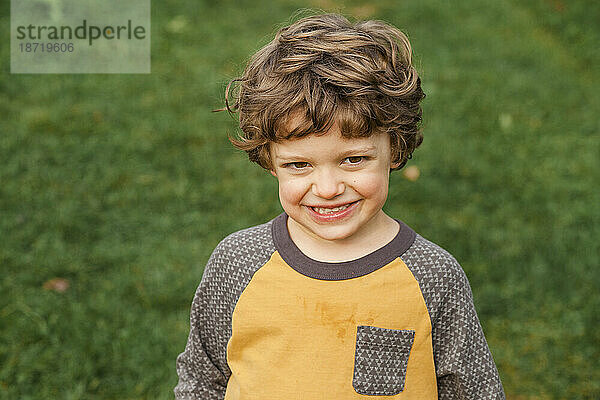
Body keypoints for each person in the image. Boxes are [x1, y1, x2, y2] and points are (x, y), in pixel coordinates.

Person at [174, 12, 505, 399]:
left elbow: (474, 392)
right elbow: (202, 380)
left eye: (354, 159)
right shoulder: (237, 263)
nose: (328, 189)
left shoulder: (434, 276)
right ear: (269, 160)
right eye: (299, 165)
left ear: (394, 148)